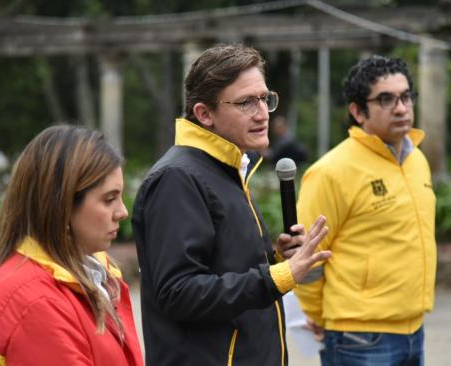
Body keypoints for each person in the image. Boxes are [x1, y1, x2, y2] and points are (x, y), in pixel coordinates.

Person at [131, 44, 331, 366]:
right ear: (204, 114)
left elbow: (225, 268)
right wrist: (278, 277)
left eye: (265, 99)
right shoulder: (177, 178)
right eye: (246, 102)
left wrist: (279, 258)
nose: (263, 113)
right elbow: (177, 292)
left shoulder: (228, 167)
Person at [294, 55, 436, 366]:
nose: (400, 108)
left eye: (405, 96)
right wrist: (318, 316)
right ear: (358, 111)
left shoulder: (417, 161)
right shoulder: (330, 172)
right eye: (385, 99)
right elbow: (307, 259)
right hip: (358, 337)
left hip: (414, 328)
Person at [0, 125, 144, 366]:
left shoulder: (90, 273)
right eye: (109, 199)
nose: (122, 212)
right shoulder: (36, 303)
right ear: (63, 205)